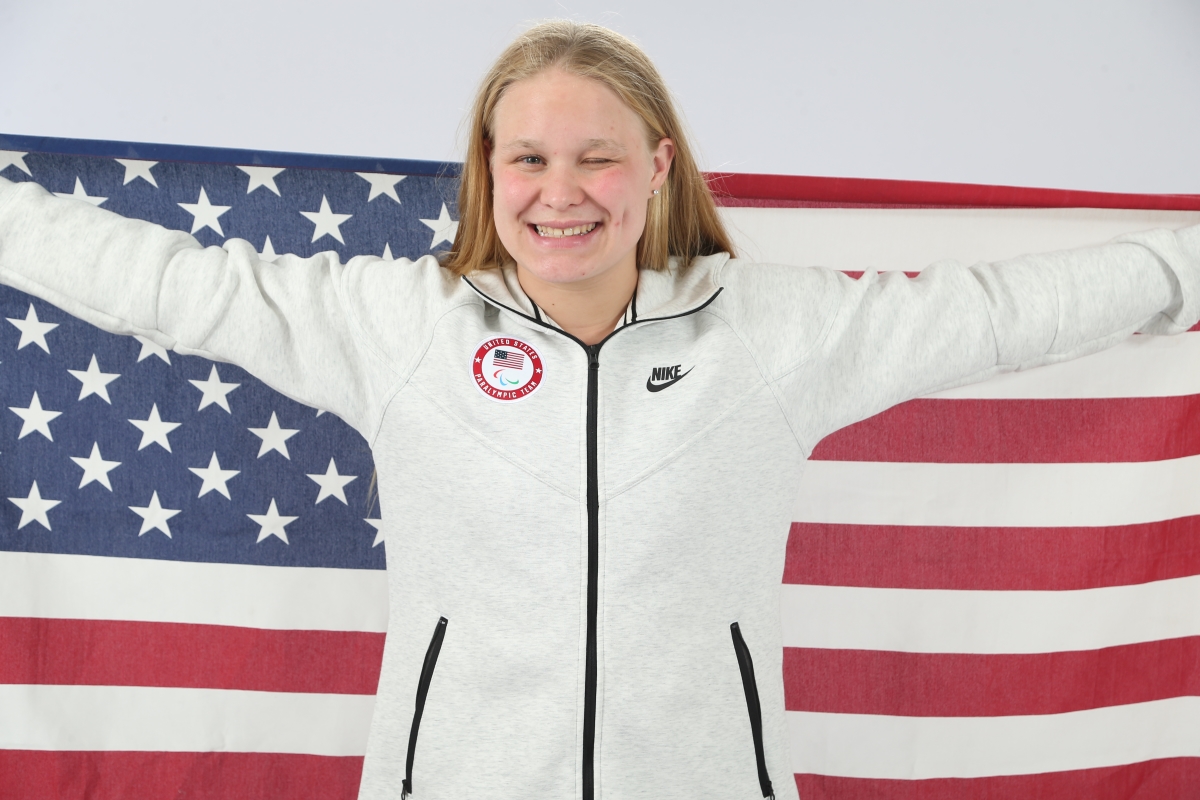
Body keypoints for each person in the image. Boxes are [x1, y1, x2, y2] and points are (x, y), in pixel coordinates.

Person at [1, 19, 1198, 800]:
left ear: (661, 167)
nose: (560, 193)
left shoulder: (779, 332)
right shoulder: (395, 325)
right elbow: (174, 283)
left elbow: (998, 309)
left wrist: (1181, 269)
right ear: (485, 172)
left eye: (598, 158)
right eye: (526, 159)